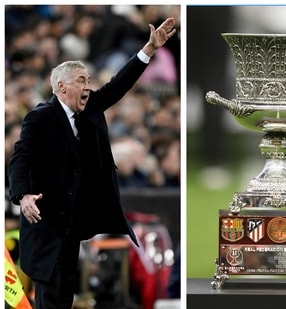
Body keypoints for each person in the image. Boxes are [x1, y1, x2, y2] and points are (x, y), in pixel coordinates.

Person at [7, 16, 177, 309]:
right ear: (61, 87)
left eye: (88, 79)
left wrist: (148, 50)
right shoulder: (40, 117)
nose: (89, 86)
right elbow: (21, 156)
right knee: (49, 294)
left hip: (73, 224)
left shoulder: (91, 106)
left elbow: (118, 85)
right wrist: (22, 195)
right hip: (45, 223)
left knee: (64, 294)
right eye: (81, 81)